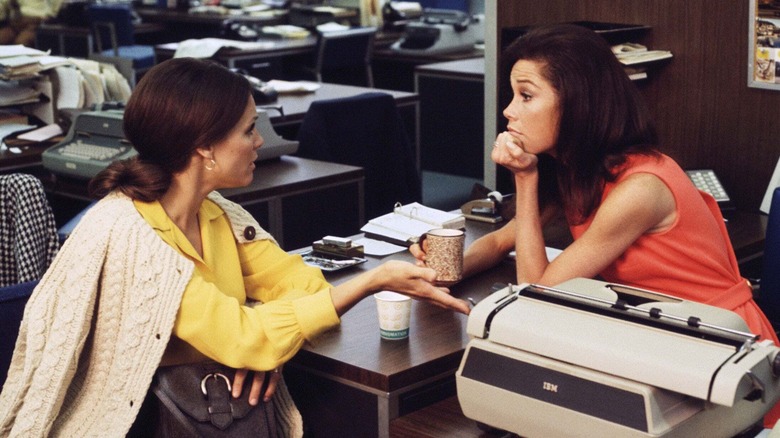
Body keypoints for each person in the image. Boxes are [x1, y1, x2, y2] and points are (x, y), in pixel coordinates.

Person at [0, 57, 470, 437]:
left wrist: (263, 347)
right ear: (204, 146)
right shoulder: (136, 239)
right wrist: (371, 281)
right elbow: (245, 338)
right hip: (134, 421)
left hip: (203, 408)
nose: (259, 140)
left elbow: (301, 282)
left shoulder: (216, 212)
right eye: (248, 129)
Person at [411, 23, 780, 426]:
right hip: (664, 337)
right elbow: (501, 241)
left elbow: (537, 293)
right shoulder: (577, 168)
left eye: (526, 96)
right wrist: (441, 271)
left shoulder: (640, 188)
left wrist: (525, 179)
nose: (509, 111)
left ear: (577, 103)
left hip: (725, 351)